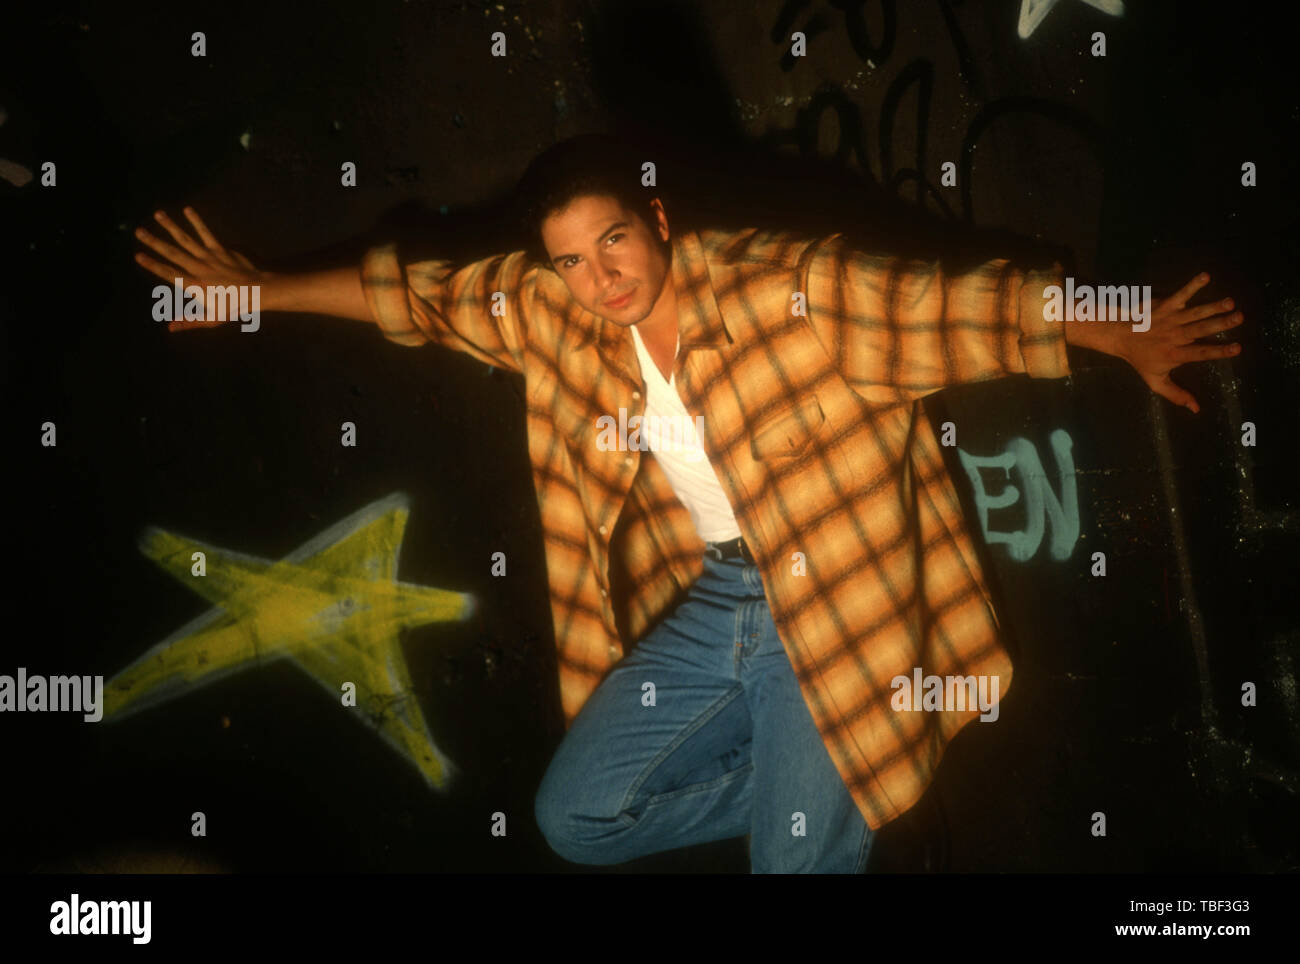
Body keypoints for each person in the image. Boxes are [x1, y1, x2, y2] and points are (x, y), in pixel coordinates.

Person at [132, 132, 1244, 873]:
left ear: (656, 221)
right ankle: (833, 776)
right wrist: (257, 291)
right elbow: (409, 294)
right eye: (571, 260)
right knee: (574, 821)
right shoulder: (552, 315)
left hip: (835, 611)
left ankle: (830, 781)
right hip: (720, 602)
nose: (600, 279)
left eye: (613, 240)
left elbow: (959, 305)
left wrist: (1120, 326)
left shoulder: (787, 289)